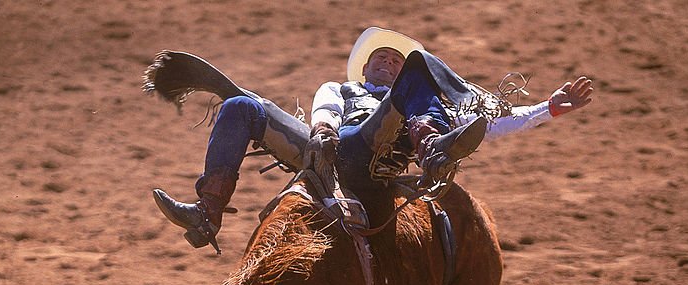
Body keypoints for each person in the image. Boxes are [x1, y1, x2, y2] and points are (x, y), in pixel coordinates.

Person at [152, 27, 593, 250]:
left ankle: (432, 146)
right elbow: (325, 103)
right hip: (322, 147)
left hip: (374, 150)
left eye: (394, 62)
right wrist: (322, 131)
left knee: (424, 93)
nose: (386, 62)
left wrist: (546, 110)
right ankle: (208, 213)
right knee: (241, 106)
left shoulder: (418, 94)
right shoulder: (339, 88)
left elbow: (489, 125)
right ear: (365, 69)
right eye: (379, 58)